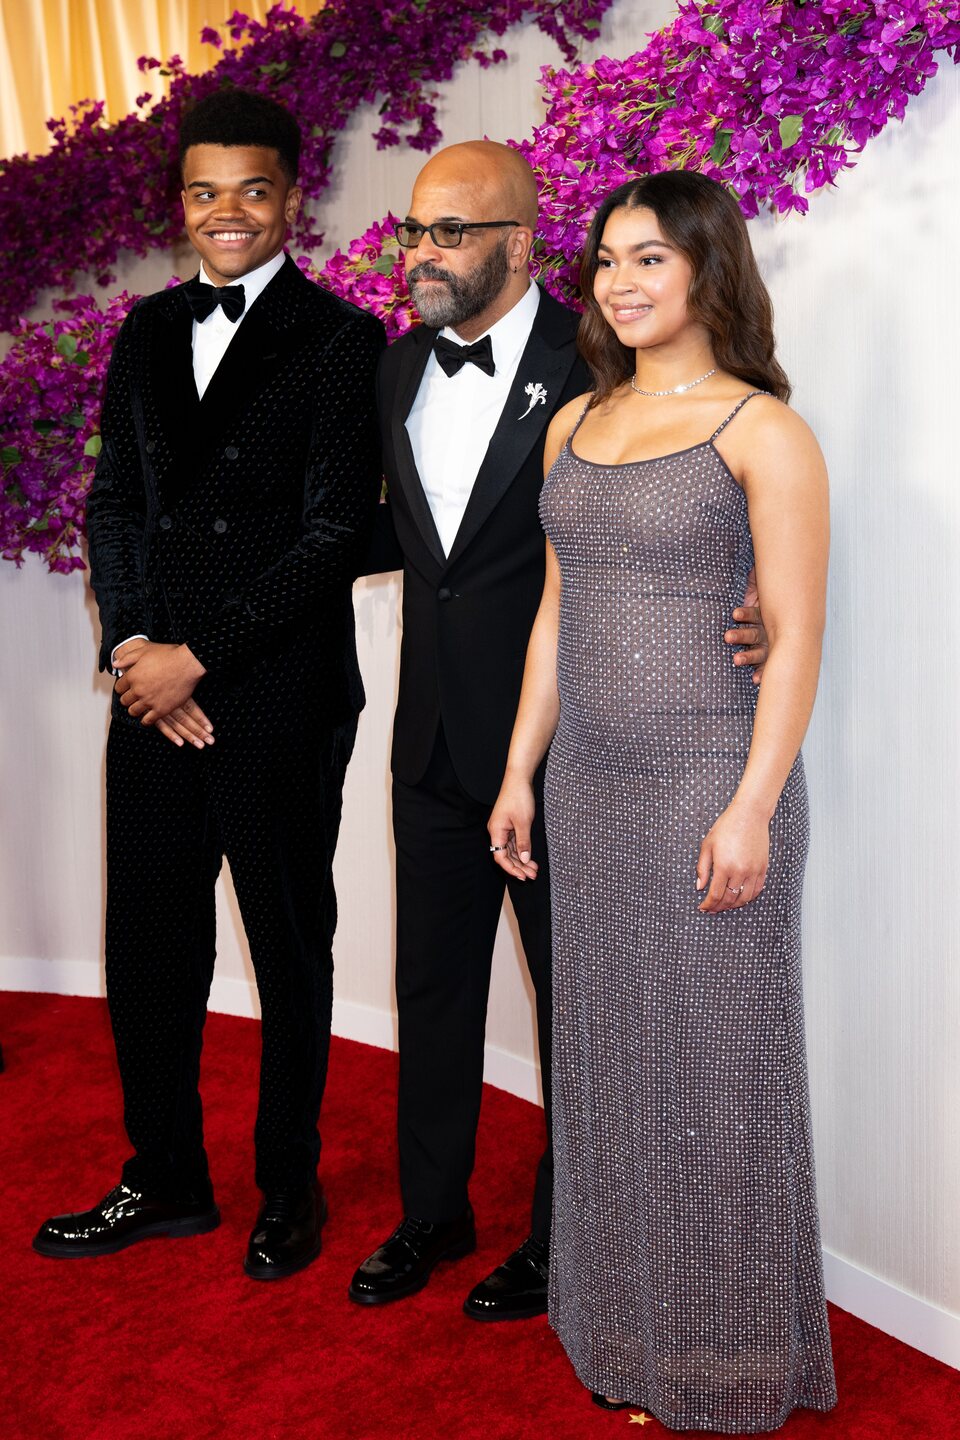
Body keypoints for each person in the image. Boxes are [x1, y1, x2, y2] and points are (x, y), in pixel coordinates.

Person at [349, 142, 768, 1320]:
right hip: (431, 741)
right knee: (431, 988)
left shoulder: (593, 352)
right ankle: (431, 1212)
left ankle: (558, 1235)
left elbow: (675, 505)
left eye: (451, 233)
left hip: (575, 751)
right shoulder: (394, 371)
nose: (422, 254)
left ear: (521, 245)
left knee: (577, 1004)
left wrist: (750, 608)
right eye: (415, 231)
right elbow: (409, 544)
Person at [488, 171, 836, 1431]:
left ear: (707, 270)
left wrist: (751, 807)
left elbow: (793, 642)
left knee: (715, 1080)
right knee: (612, 1071)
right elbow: (553, 616)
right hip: (589, 787)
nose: (622, 282)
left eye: (650, 258)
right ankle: (622, 1329)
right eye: (606, 260)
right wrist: (522, 769)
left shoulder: (764, 431)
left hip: (709, 786)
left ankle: (729, 1359)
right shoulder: (569, 424)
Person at [33, 89, 385, 1281]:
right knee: (150, 945)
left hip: (276, 690)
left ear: (293, 197)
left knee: (288, 945)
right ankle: (166, 1178)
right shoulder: (140, 329)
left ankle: (292, 1185)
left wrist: (199, 655)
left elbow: (335, 532)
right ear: (179, 202)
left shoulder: (343, 340)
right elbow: (114, 506)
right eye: (202, 191)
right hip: (153, 693)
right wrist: (135, 651)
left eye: (251, 190)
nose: (224, 214)